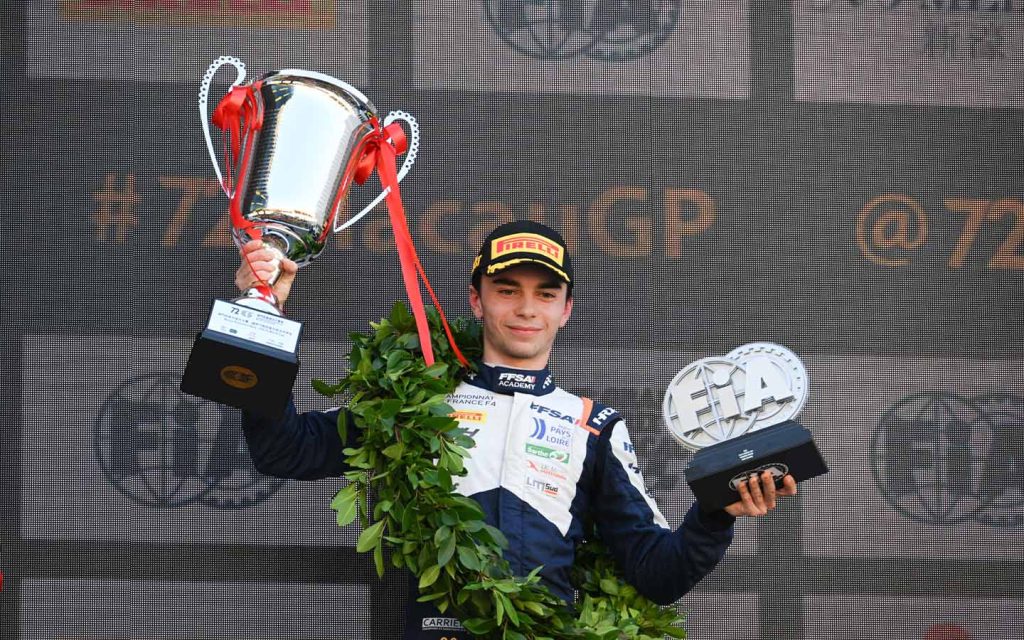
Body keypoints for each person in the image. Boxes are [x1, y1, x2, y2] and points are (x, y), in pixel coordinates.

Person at [236, 220, 797, 639]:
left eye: (545, 294)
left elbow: (656, 574)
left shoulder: (594, 426)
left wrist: (715, 515)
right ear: (476, 301)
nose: (526, 309)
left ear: (566, 310)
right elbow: (282, 450)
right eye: (508, 290)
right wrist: (265, 320)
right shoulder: (410, 400)